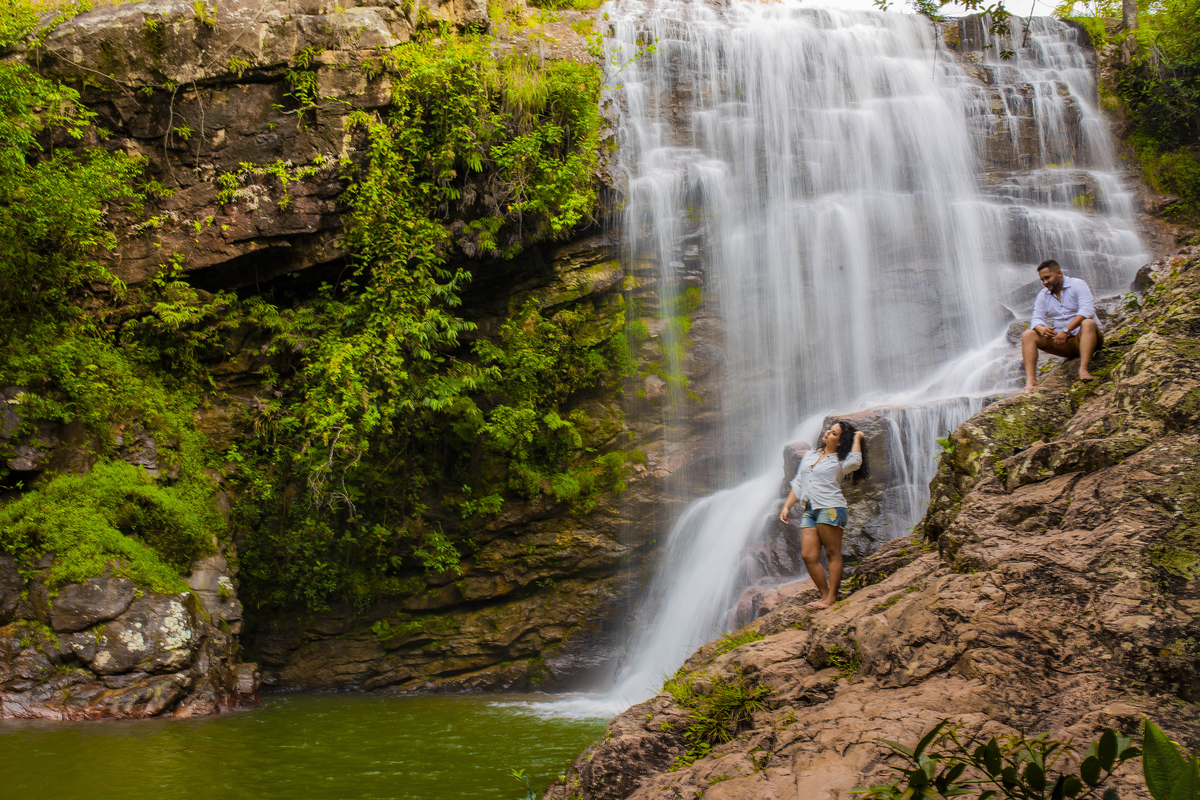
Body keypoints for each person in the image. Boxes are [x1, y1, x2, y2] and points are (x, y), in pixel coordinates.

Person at [779, 420, 866, 610]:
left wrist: (857, 438)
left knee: (832, 553)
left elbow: (856, 462)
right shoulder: (810, 455)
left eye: (834, 433)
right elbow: (799, 483)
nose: (827, 433)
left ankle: (831, 597)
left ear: (841, 442)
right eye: (829, 430)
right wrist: (787, 506)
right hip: (810, 509)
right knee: (808, 555)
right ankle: (825, 594)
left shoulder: (841, 461)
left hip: (831, 508)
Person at [1022, 259, 1104, 389]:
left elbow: (1087, 310)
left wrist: (1066, 330)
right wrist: (1041, 329)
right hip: (1062, 342)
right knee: (1028, 335)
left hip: (1087, 337)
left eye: (1047, 278)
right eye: (1042, 280)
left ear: (1059, 273)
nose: (1045, 283)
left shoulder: (1078, 285)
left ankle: (1083, 369)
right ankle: (1031, 381)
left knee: (1087, 323)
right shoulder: (1043, 295)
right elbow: (1037, 318)